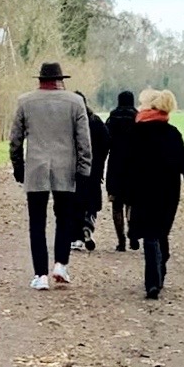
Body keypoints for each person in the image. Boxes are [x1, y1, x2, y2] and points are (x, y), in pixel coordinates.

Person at [9, 61, 91, 289]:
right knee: (64, 218)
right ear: (60, 80)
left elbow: (15, 139)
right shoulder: (75, 102)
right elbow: (84, 141)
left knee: (37, 223)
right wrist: (84, 171)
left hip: (36, 168)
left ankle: (40, 275)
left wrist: (18, 165)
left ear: (40, 80)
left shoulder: (25, 102)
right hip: (66, 168)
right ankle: (60, 264)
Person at [127, 87, 184, 300]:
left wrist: (123, 190)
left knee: (150, 235)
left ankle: (153, 280)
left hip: (143, 190)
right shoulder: (172, 133)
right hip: (168, 191)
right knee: (160, 231)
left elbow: (127, 164)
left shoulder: (136, 132)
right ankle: (158, 273)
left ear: (149, 107)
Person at [104, 90, 139, 251]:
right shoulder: (138, 118)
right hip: (134, 165)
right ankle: (133, 234)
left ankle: (121, 241)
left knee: (116, 204)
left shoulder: (112, 118)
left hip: (116, 164)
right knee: (132, 202)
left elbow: (105, 141)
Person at [75, 91, 109, 251]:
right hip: (94, 168)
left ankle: (77, 237)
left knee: (75, 202)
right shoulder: (95, 121)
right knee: (91, 201)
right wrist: (100, 161)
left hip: (75, 169)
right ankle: (88, 224)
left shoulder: (71, 123)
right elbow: (106, 142)